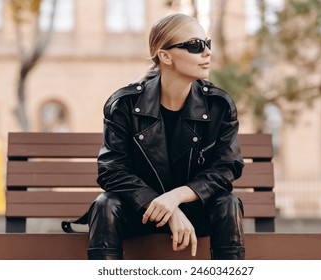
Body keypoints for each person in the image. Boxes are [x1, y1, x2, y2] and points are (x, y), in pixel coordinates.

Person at [87, 13, 245, 260]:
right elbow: (112, 171)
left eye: (207, 44)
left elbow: (226, 169)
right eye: (195, 46)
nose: (206, 53)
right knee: (105, 204)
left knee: (228, 203)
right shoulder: (125, 104)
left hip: (197, 214)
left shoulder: (218, 105)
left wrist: (176, 197)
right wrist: (168, 209)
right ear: (165, 55)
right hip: (140, 212)